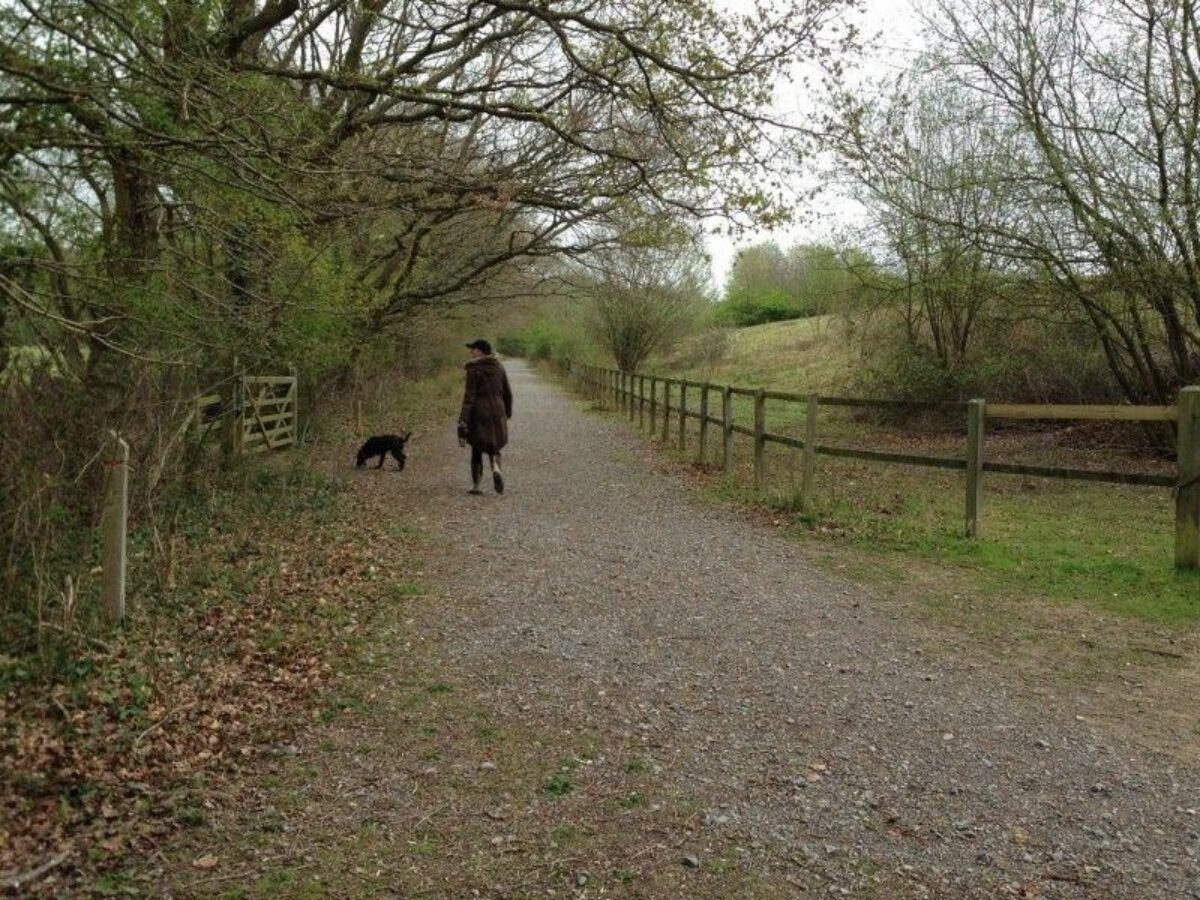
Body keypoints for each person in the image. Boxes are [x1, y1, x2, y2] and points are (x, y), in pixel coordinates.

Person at [457, 339, 512, 494]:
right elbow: (507, 392)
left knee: (476, 447)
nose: (471, 352)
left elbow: (469, 397)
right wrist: (506, 412)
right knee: (494, 444)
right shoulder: (499, 367)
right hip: (497, 410)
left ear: (480, 351)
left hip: (479, 410)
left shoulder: (473, 369)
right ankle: (496, 468)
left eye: (473, 350)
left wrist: (463, 419)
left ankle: (476, 486)